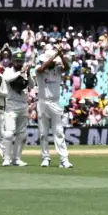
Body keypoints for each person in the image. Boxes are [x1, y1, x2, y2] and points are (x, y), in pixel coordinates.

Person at [34, 41, 73, 169]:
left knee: (59, 132)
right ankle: (45, 158)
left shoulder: (58, 70)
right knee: (43, 133)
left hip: (55, 103)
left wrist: (60, 56)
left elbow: (67, 68)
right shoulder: (39, 69)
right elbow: (42, 68)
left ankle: (64, 159)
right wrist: (55, 54)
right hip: (42, 102)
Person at [0, 51, 31, 166]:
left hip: (23, 104)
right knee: (9, 133)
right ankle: (6, 159)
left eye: (21, 61)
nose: (19, 63)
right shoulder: (8, 71)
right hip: (11, 104)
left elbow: (31, 85)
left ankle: (16, 159)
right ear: (12, 61)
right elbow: (8, 79)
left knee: (22, 134)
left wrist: (29, 74)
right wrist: (20, 72)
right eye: (17, 61)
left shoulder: (24, 72)